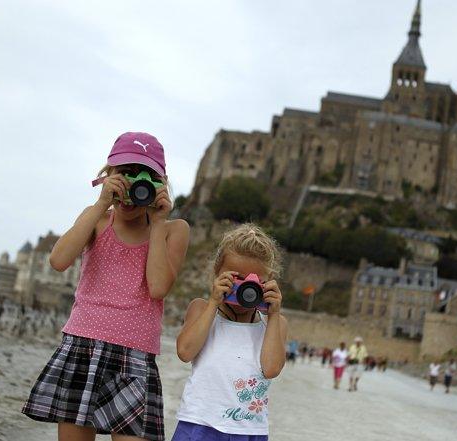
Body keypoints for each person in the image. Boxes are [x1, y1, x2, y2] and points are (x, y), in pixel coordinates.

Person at [21, 132, 190, 441]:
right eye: (122, 174)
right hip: (82, 346)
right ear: (107, 175)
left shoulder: (172, 230)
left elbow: (157, 288)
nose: (131, 187)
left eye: (143, 178)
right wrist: (101, 204)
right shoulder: (97, 219)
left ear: (159, 185)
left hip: (135, 356)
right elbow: (58, 260)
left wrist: (157, 222)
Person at [173, 224, 287, 441]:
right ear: (217, 273)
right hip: (199, 423)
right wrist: (214, 302)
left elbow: (271, 368)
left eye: (253, 282)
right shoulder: (201, 309)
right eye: (237, 279)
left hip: (248, 431)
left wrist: (273, 314)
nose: (245, 289)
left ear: (268, 282)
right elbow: (185, 352)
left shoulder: (276, 324)